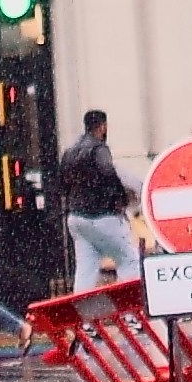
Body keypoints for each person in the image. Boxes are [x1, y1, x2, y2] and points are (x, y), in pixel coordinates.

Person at [50, 110, 140, 291]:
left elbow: (60, 184)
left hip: (77, 218)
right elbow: (109, 174)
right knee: (129, 260)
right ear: (103, 126)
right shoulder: (99, 149)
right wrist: (120, 199)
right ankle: (129, 313)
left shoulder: (70, 151)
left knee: (85, 270)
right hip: (102, 215)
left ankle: (84, 317)